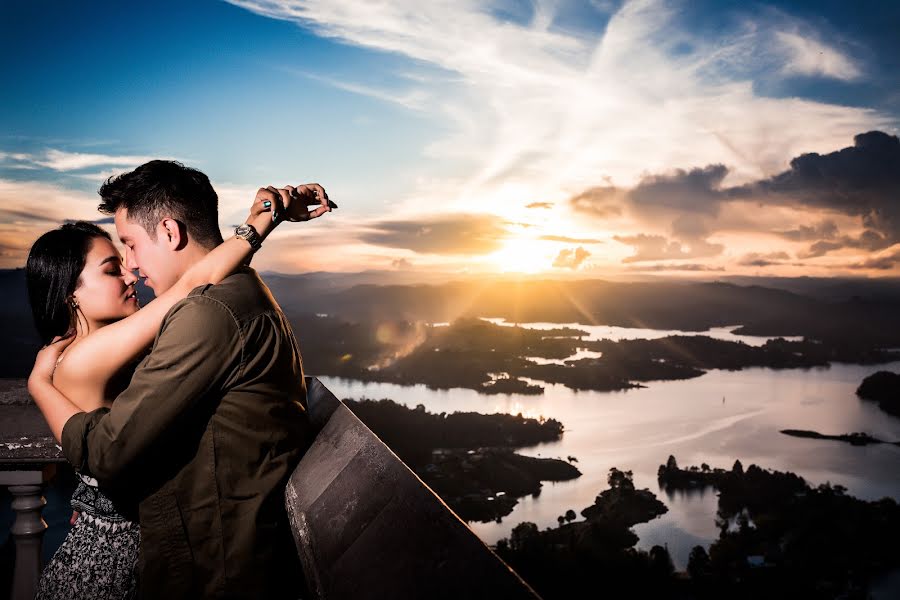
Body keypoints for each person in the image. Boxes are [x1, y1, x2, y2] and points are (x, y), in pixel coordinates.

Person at [26, 160, 331, 599]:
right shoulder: (88, 355)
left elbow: (197, 279)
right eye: (114, 266)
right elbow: (195, 278)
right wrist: (258, 224)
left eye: (129, 246)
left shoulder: (205, 313)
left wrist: (265, 219)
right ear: (71, 291)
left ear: (169, 232)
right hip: (114, 561)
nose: (131, 268)